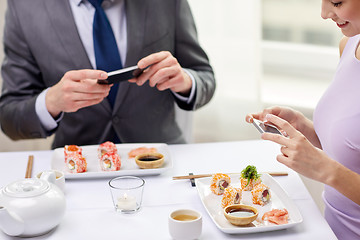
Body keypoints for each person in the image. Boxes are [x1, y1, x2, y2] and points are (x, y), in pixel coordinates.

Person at [0, 0, 216, 149]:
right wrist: (50, 102)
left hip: (162, 161)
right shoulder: (24, 8)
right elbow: (9, 116)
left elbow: (205, 76)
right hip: (77, 170)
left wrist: (186, 82)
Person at [246, 1, 360, 239]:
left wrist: (327, 171)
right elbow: (351, 150)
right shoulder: (350, 44)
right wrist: (304, 127)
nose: (324, 14)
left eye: (337, 2)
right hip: (330, 230)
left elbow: (337, 167)